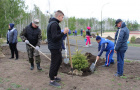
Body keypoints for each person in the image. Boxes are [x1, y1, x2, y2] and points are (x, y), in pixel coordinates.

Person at [47, 10, 69, 87]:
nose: (62, 19)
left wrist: (63, 32)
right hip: (54, 47)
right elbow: (54, 37)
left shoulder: (55, 23)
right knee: (54, 62)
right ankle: (52, 80)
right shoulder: (53, 24)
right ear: (58, 16)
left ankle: (55, 76)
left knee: (59, 60)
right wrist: (63, 33)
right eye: (62, 17)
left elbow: (56, 35)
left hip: (56, 46)